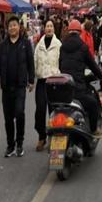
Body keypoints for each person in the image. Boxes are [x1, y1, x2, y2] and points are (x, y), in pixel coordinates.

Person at [0, 16, 36, 158]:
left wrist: (31, 79)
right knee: (8, 118)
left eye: (15, 25)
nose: (12, 28)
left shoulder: (25, 43)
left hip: (20, 86)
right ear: (7, 28)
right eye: (10, 26)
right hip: (6, 86)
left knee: (19, 113)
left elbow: (30, 62)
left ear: (19, 27)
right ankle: (10, 145)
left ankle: (20, 143)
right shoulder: (3, 45)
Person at [59, 20, 102, 135]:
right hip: (77, 90)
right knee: (93, 104)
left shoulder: (63, 46)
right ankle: (94, 129)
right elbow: (93, 65)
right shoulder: (82, 47)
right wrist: (101, 77)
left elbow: (60, 65)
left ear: (69, 31)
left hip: (64, 90)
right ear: (80, 32)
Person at [33, 20, 61, 152]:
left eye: (51, 26)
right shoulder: (39, 45)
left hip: (55, 81)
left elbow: (62, 63)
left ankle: (54, 136)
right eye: (47, 26)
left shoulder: (58, 44)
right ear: (44, 28)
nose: (49, 28)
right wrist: (31, 79)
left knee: (54, 110)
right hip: (42, 81)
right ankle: (41, 136)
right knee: (40, 109)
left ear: (54, 29)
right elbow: (34, 61)